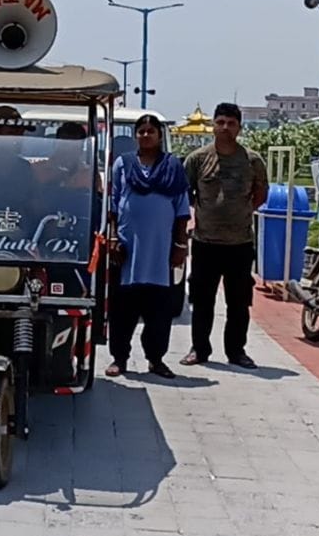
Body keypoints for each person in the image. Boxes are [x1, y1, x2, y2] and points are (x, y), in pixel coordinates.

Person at [180, 102, 268, 369]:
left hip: (240, 244)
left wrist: (239, 212)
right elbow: (186, 194)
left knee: (238, 303)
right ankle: (200, 350)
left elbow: (260, 195)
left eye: (231, 123)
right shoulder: (197, 159)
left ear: (239, 127)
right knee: (202, 300)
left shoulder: (252, 161)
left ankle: (236, 352)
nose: (225, 128)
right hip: (206, 243)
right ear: (213, 126)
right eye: (220, 122)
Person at [105, 114, 191, 380]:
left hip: (160, 251)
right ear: (135, 136)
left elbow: (181, 211)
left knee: (159, 313)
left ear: (159, 135)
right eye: (140, 131)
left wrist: (179, 245)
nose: (145, 135)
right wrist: (113, 239)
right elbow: (113, 205)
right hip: (127, 251)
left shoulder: (172, 166)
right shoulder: (123, 164)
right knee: (122, 310)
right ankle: (119, 359)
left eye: (150, 131)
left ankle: (156, 360)